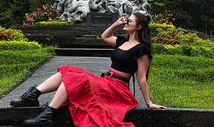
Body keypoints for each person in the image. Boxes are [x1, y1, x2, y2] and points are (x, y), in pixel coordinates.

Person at [10, 12, 166, 127]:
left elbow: (141, 77)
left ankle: (47, 115)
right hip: (106, 81)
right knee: (68, 69)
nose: (126, 22)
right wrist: (116, 23)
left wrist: (149, 102)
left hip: (117, 89)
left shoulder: (142, 50)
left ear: (138, 26)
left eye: (129, 21)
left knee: (77, 79)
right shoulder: (121, 41)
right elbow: (104, 36)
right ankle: (33, 95)